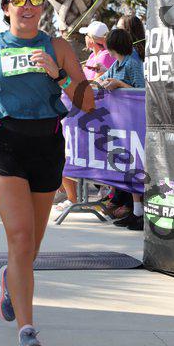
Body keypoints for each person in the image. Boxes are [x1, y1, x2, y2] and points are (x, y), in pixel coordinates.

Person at [0, 0, 95, 346]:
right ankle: (27, 332)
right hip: (3, 142)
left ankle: (9, 277)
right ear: (6, 8)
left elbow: (86, 102)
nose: (28, 5)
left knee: (30, 248)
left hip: (46, 145)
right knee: (19, 238)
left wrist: (59, 74)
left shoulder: (59, 46)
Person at [54, 20, 116, 212]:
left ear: (93, 39)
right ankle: (73, 198)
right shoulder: (92, 56)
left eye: (87, 36)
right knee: (70, 151)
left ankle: (94, 197)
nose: (85, 39)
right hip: (81, 114)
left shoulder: (106, 56)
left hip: (95, 115)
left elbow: (96, 84)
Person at [99, 27, 145, 230]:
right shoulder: (117, 64)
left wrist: (119, 84)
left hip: (133, 121)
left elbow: (141, 90)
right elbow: (103, 80)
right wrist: (104, 82)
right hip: (120, 122)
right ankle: (135, 211)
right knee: (126, 166)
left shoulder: (133, 63)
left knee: (135, 166)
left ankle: (138, 212)